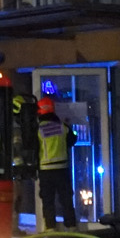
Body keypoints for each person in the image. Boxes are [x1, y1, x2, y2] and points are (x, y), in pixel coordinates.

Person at [36, 91, 75, 230]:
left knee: (48, 201)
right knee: (66, 199)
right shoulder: (63, 127)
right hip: (62, 169)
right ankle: (71, 227)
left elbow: (34, 149)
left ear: (39, 111)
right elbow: (72, 141)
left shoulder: (38, 129)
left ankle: (50, 228)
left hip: (46, 171)